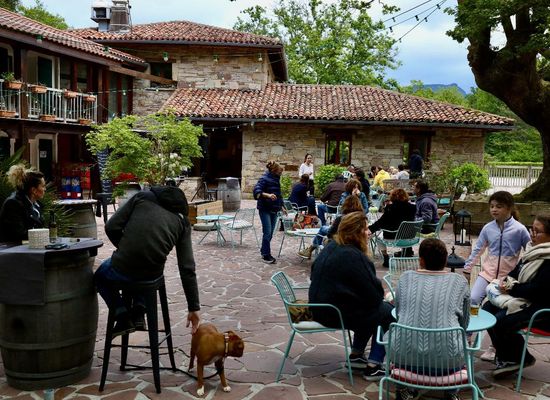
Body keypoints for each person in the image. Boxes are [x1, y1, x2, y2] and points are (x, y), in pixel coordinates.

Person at [93, 185, 200, 337]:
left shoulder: (142, 197)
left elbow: (111, 227)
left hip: (123, 266)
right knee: (147, 266)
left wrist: (125, 248)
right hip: (151, 274)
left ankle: (122, 316)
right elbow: (187, 267)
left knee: (100, 276)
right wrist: (193, 307)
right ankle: (139, 311)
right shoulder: (183, 222)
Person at [309, 211, 394, 381]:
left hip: (319, 308)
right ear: (356, 232)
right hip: (334, 314)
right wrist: (385, 295)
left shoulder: (331, 247)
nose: (369, 232)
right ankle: (374, 365)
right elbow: (374, 295)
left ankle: (356, 356)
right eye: (366, 229)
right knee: (387, 312)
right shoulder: (353, 255)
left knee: (370, 308)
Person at [394, 238, 470, 400]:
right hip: (448, 365)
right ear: (446, 260)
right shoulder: (459, 282)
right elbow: (464, 323)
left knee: (393, 335)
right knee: (461, 340)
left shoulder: (405, 278)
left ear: (421, 260)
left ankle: (403, 389)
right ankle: (451, 392)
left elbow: (399, 312)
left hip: (404, 361)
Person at [463, 191, 531, 362]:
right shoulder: (488, 228)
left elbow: (530, 251)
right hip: (487, 274)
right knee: (473, 299)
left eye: (499, 206)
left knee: (499, 310)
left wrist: (523, 270)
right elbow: (478, 249)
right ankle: (468, 335)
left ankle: (494, 347)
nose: (494, 209)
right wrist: (468, 267)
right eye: (492, 206)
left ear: (509, 208)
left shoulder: (519, 229)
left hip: (506, 280)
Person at [483, 214, 550, 378]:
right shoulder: (533, 252)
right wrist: (505, 281)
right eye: (532, 229)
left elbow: (539, 291)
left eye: (537, 231)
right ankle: (510, 355)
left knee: (500, 320)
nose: (532, 234)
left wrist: (512, 288)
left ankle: (517, 358)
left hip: (543, 309)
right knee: (487, 310)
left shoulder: (547, 259)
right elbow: (515, 273)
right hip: (525, 300)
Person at [298, 194, 363, 259]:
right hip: (356, 241)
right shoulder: (361, 218)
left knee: (323, 228)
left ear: (345, 205)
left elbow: (330, 233)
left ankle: (310, 249)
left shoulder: (342, 218)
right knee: (326, 229)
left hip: (341, 240)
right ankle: (310, 249)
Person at [368, 188, 416, 267]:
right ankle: (407, 251)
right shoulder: (413, 208)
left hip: (393, 237)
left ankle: (386, 257)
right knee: (404, 228)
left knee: (378, 237)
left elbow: (381, 222)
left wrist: (370, 229)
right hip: (409, 237)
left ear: (392, 197)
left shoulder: (390, 208)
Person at [0, 164, 46, 242]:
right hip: (13, 247)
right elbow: (18, 233)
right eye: (43, 186)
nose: (45, 189)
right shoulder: (13, 204)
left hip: (31, 245)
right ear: (34, 190)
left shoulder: (36, 205)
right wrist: (43, 235)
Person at [253, 160, 283, 264]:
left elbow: (278, 194)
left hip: (274, 208)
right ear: (274, 170)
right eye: (279, 171)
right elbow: (256, 190)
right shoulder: (264, 178)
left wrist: (282, 206)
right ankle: (266, 255)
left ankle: (263, 251)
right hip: (264, 208)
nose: (280, 173)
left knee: (270, 233)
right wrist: (268, 195)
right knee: (267, 232)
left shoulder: (276, 178)